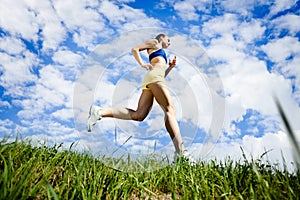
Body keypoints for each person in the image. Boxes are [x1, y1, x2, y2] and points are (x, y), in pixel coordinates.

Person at [87, 33, 192, 161]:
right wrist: (142, 64)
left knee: (139, 115)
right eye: (168, 40)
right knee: (170, 110)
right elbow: (134, 49)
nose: (169, 43)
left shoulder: (160, 52)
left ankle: (100, 112)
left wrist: (169, 67)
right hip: (154, 78)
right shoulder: (154, 42)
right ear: (161, 37)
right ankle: (181, 153)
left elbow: (160, 72)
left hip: (153, 78)